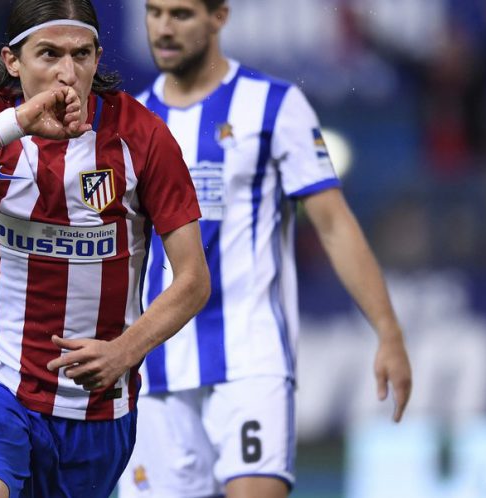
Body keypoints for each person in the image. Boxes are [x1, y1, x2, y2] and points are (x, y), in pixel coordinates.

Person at [0, 1, 211, 497]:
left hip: (96, 409)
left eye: (81, 54)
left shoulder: (142, 137)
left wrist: (125, 351)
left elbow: (193, 280)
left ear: (98, 57)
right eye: (49, 54)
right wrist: (17, 121)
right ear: (13, 61)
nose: (67, 72)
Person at [117, 1, 414, 497]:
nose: (164, 28)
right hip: (155, 366)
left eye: (181, 14)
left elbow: (333, 223)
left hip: (251, 358)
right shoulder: (133, 122)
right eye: (154, 12)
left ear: (219, 17)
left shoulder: (274, 105)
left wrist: (388, 330)